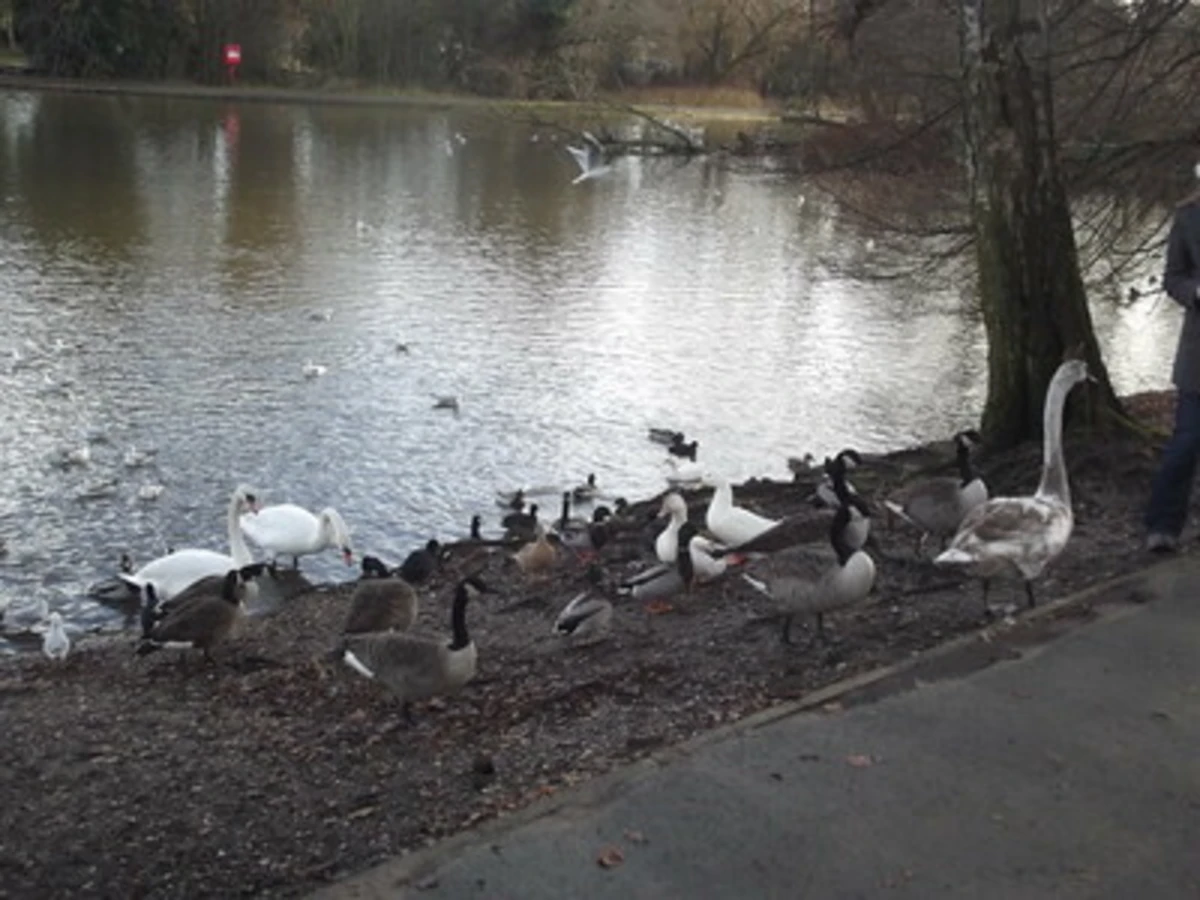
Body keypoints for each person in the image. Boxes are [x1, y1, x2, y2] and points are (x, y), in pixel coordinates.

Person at [1145, 187, 1200, 552]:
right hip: (1199, 358)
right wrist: (1196, 292)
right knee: (1186, 441)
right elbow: (1173, 277)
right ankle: (1162, 525)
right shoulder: (1188, 216)